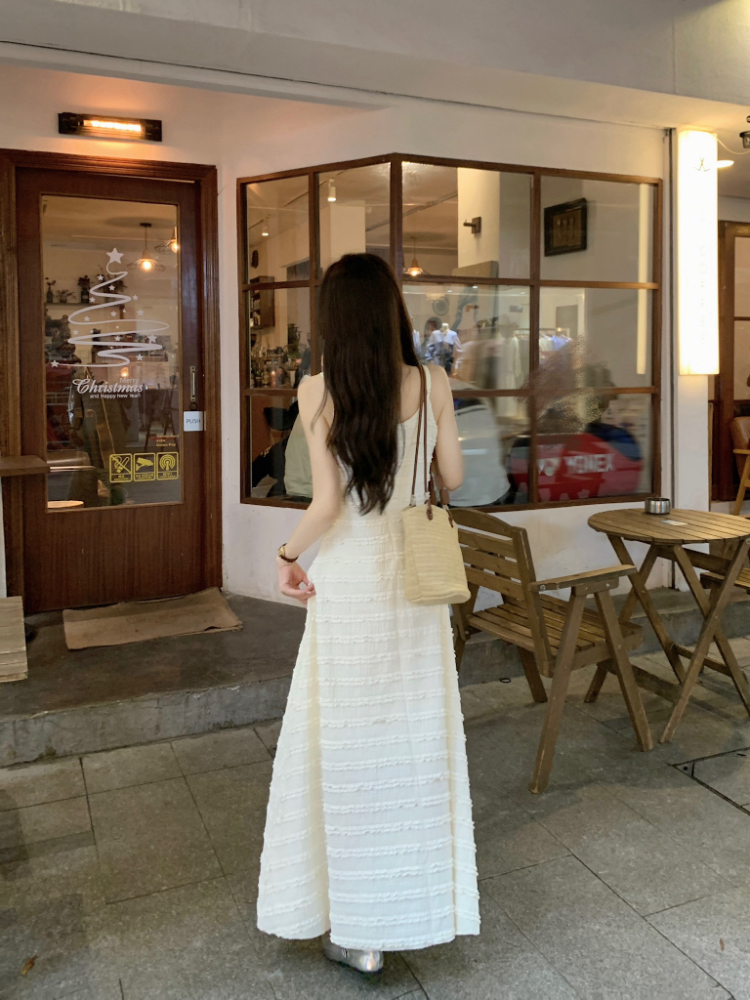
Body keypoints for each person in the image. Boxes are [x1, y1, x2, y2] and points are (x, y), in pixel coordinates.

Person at [256, 253, 480, 972]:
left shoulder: (316, 390)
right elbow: (453, 477)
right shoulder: (433, 380)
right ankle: (400, 910)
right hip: (413, 586)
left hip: (349, 586)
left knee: (344, 747)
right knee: (411, 746)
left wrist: (287, 554)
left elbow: (326, 505)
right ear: (391, 312)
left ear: (333, 319)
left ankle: (356, 931)